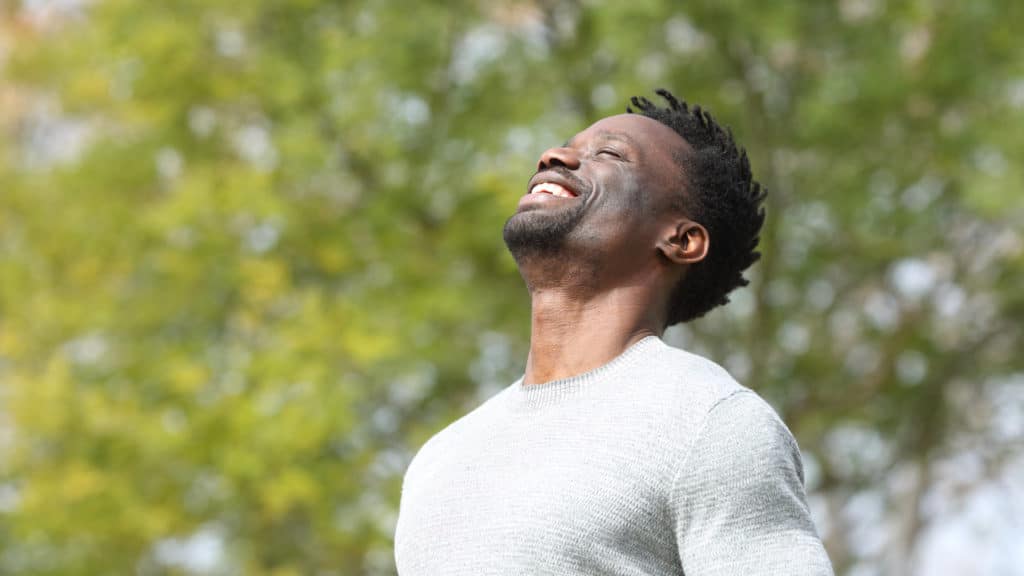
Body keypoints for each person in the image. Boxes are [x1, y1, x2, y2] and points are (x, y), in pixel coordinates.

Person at [393, 89, 833, 575]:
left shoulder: (711, 424)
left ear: (681, 240)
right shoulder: (442, 457)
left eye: (608, 154)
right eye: (565, 146)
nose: (554, 157)